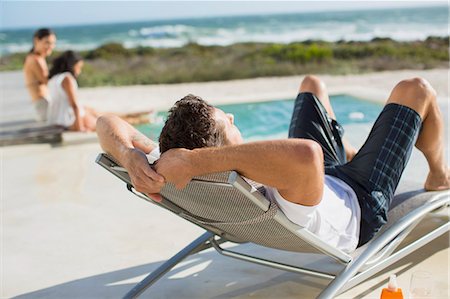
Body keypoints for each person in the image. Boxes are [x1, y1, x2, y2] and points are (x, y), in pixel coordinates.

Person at [97, 75, 450, 253]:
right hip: (357, 201)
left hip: (314, 182)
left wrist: (130, 156)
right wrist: (196, 160)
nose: (234, 117)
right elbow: (306, 156)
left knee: (312, 85)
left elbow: (107, 123)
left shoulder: (174, 167)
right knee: (416, 89)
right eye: (229, 123)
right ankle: (438, 172)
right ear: (208, 153)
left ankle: (350, 153)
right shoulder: (204, 163)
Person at [47, 50, 100, 131]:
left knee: (91, 110)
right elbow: (74, 105)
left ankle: (125, 117)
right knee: (104, 122)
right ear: (72, 65)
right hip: (67, 121)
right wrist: (80, 128)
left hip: (55, 119)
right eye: (79, 67)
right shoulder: (67, 78)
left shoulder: (54, 78)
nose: (79, 71)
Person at [23, 28, 56, 122]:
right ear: (36, 40)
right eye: (47, 42)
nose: (51, 46)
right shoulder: (36, 60)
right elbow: (49, 82)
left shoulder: (34, 57)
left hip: (42, 104)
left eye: (53, 43)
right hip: (43, 105)